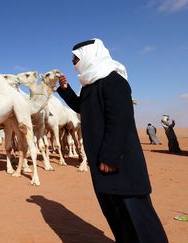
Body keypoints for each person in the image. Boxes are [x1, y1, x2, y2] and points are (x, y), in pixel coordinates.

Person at [56, 38, 168, 243]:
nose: (73, 62)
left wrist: (110, 157)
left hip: (120, 164)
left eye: (76, 58)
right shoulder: (90, 86)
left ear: (90, 55)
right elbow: (83, 108)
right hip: (103, 164)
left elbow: (120, 121)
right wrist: (65, 89)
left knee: (139, 218)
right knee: (117, 217)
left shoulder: (114, 81)